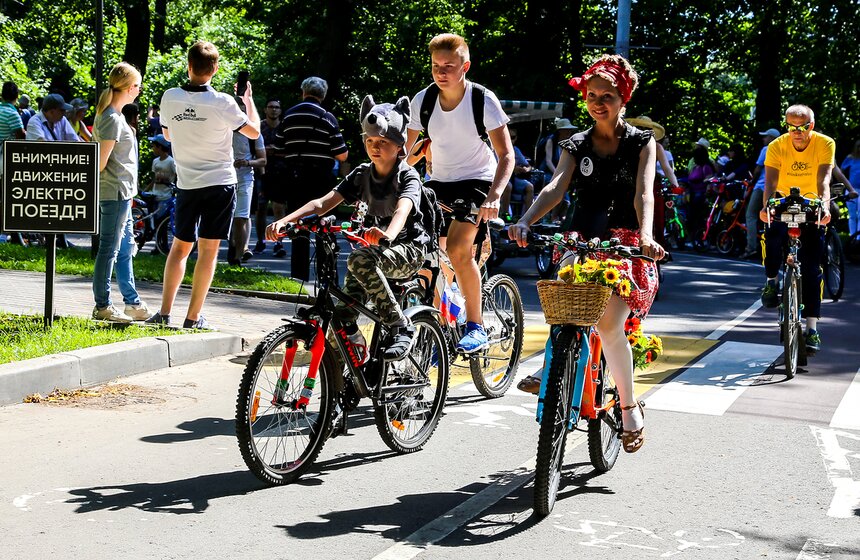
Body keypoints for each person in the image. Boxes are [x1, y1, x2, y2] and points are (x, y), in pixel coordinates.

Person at [508, 54, 664, 454]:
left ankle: (629, 408)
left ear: (622, 98)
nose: (598, 102)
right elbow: (555, 187)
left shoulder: (642, 143)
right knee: (564, 306)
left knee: (610, 323)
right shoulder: (576, 143)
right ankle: (554, 367)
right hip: (581, 237)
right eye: (592, 95)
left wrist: (645, 236)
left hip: (626, 242)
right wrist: (524, 220)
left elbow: (643, 192)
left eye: (607, 96)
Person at [267, 95, 429, 362]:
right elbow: (323, 202)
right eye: (370, 142)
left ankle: (400, 324)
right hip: (373, 252)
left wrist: (388, 234)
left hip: (408, 248)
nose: (375, 147)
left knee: (358, 259)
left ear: (400, 146)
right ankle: (347, 384)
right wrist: (287, 220)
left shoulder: (406, 175)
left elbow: (403, 208)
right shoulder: (362, 174)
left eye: (383, 142)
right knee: (340, 321)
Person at [405, 32, 515, 353]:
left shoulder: (482, 100)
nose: (441, 72)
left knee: (456, 249)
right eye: (436, 65)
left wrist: (494, 196)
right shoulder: (422, 101)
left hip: (477, 182)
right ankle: (437, 330)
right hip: (437, 183)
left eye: (449, 66)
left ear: (465, 66)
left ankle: (475, 325)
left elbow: (506, 155)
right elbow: (405, 156)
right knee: (424, 256)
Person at [147, 40, 261, 329]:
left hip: (187, 183)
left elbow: (168, 136)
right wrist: (247, 101)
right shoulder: (223, 102)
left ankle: (163, 313)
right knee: (208, 251)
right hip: (220, 184)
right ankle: (193, 317)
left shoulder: (169, 97)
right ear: (215, 68)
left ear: (188, 66)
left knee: (179, 248)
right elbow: (253, 131)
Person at [759, 104, 833, 352]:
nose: (797, 132)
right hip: (783, 199)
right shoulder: (777, 145)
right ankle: (771, 280)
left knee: (812, 269)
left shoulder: (825, 143)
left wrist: (824, 207)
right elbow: (770, 182)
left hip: (811, 201)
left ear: (811, 125)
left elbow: (824, 180)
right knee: (771, 235)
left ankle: (812, 329)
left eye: (802, 127)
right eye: (791, 127)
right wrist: (765, 207)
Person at [91, 62, 152, 322]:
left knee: (126, 247)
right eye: (137, 86)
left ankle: (132, 302)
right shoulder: (111, 119)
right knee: (110, 249)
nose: (139, 90)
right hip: (114, 193)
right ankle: (102, 306)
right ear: (128, 88)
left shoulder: (116, 116)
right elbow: (101, 163)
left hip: (123, 193)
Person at [271, 77, 349, 274]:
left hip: (295, 176)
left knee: (299, 225)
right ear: (322, 95)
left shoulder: (289, 116)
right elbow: (341, 154)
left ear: (303, 92)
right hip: (322, 178)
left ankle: (299, 275)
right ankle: (326, 274)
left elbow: (278, 147)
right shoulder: (327, 117)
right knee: (325, 225)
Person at [228, 96, 266, 265]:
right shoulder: (223, 130)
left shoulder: (254, 133)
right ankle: (234, 245)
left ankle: (238, 256)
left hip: (245, 178)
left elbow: (263, 160)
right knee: (229, 217)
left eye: (243, 109)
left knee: (241, 217)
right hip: (224, 178)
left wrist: (247, 162)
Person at [740, 128, 780, 259]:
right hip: (778, 189)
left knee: (751, 215)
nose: (764, 139)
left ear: (771, 138)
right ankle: (776, 248)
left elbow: (757, 170)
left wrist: (751, 183)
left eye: (766, 137)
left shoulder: (767, 149)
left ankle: (751, 247)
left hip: (762, 187)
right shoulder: (783, 149)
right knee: (774, 218)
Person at [253, 97, 284, 254]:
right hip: (261, 173)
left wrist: (275, 150)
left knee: (279, 208)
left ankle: (279, 242)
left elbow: (290, 148)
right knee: (261, 208)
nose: (274, 109)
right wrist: (265, 150)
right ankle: (261, 240)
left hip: (279, 172)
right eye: (271, 107)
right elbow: (252, 149)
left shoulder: (284, 128)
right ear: (265, 110)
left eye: (276, 107)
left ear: (280, 110)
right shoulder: (258, 127)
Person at [1, 82, 26, 244]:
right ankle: (4, 234)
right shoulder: (12, 114)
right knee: (6, 198)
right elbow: (21, 135)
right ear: (17, 97)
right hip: (4, 161)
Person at [499, 127, 535, 219]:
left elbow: (528, 165)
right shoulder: (498, 148)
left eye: (513, 137)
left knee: (529, 187)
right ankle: (506, 216)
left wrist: (526, 169)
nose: (511, 140)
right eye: (509, 137)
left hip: (515, 179)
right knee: (508, 186)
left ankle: (526, 217)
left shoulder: (515, 150)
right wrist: (512, 169)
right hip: (501, 178)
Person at [144, 134, 176, 223]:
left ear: (160, 147)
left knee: (162, 221)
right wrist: (146, 190)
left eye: (154, 146)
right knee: (153, 220)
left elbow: (177, 175)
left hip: (165, 196)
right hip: (155, 195)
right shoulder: (155, 161)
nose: (153, 149)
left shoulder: (171, 161)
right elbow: (154, 178)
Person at [841, 139, 860, 235]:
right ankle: (853, 235)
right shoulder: (851, 158)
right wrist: (845, 184)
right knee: (852, 215)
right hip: (851, 189)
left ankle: (858, 237)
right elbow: (841, 171)